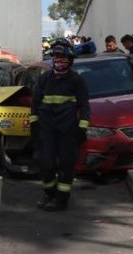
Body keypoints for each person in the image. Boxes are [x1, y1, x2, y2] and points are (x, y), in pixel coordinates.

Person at [30, 38, 90, 212]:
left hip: (68, 130)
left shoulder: (76, 81)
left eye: (63, 57)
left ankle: (62, 199)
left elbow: (84, 106)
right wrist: (34, 124)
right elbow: (35, 103)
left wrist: (82, 128)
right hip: (46, 129)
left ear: (70, 60)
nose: (59, 60)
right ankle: (49, 193)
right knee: (45, 162)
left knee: (66, 165)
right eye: (56, 57)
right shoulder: (44, 79)